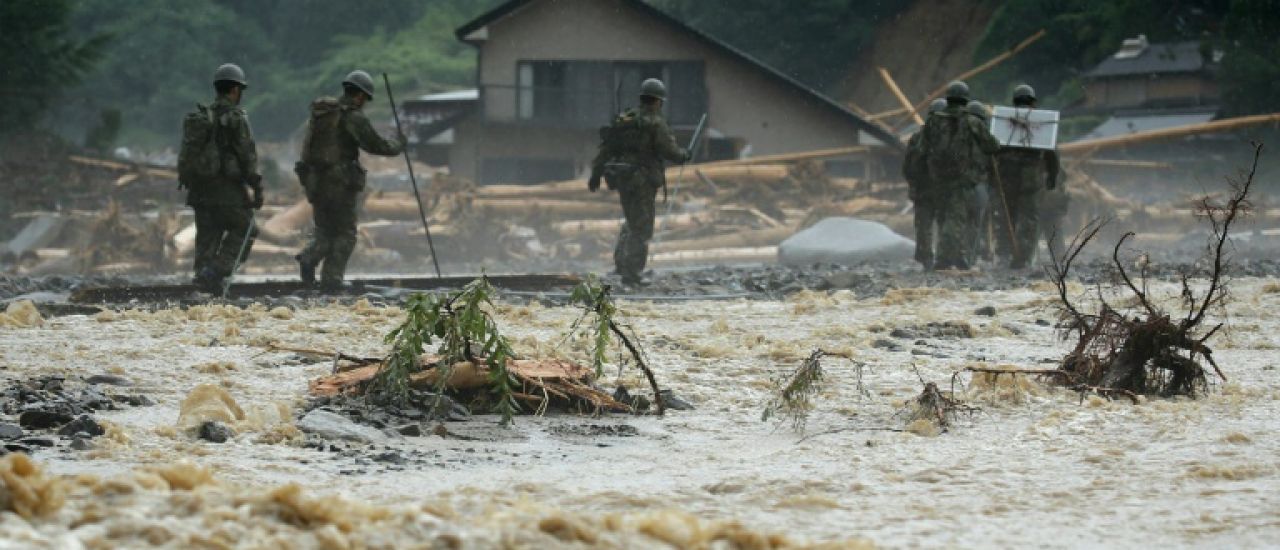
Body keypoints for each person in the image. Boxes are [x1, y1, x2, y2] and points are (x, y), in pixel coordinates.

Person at [294, 70, 405, 290]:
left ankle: (309, 257)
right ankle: (331, 281)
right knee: (345, 233)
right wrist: (398, 144)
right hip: (339, 185)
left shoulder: (323, 115)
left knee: (325, 229)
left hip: (315, 183)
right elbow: (376, 145)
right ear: (361, 96)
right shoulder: (353, 117)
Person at [588, 78, 690, 286]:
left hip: (623, 177)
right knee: (642, 226)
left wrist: (596, 173)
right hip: (643, 179)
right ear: (658, 101)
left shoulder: (626, 119)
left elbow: (607, 148)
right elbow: (669, 150)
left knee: (631, 220)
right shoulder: (655, 122)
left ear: (642, 98)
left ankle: (621, 264)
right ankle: (632, 273)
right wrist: (684, 155)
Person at [179, 63, 262, 293]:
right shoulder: (236, 118)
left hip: (199, 190)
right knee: (247, 228)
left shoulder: (201, 118)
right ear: (235, 89)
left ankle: (203, 285)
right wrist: (257, 188)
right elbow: (247, 156)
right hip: (226, 190)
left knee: (208, 237)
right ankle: (215, 272)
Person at [918, 80, 999, 270]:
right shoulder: (972, 121)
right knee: (956, 218)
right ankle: (945, 259)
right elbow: (992, 145)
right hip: (962, 178)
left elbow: (922, 149)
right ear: (965, 99)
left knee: (943, 217)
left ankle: (952, 256)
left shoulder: (933, 120)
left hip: (937, 177)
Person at [992, 84, 1061, 269]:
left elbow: (993, 151)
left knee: (1007, 215)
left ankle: (1004, 254)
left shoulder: (1003, 121)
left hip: (1007, 178)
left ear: (1014, 101)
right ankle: (1023, 258)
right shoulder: (1042, 122)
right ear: (1032, 102)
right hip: (1031, 180)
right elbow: (1052, 155)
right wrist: (1052, 177)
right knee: (1028, 217)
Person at [903, 99, 947, 269]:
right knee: (944, 223)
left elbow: (907, 166)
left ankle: (927, 258)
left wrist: (913, 183)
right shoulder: (949, 137)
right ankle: (944, 258)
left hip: (923, 188)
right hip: (943, 188)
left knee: (924, 224)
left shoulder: (917, 137)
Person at [966, 100, 994, 265]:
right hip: (979, 184)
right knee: (977, 221)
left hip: (959, 185)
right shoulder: (985, 136)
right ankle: (972, 256)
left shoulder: (957, 133)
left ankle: (964, 254)